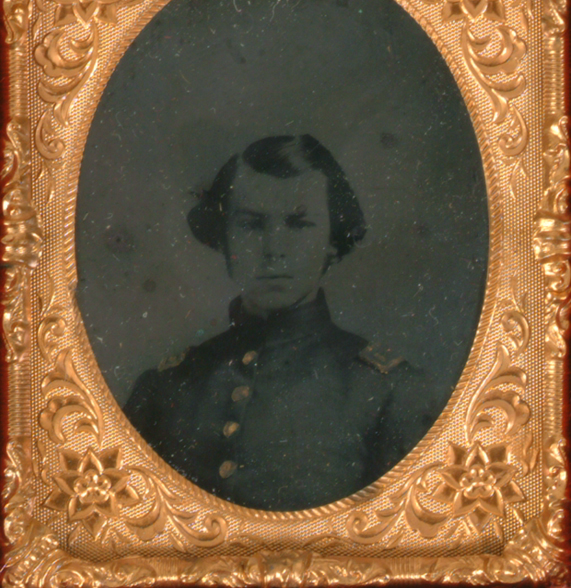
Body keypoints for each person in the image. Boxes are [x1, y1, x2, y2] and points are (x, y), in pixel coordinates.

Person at [124, 135, 436, 511]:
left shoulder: (390, 391)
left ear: (332, 241)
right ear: (223, 239)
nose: (274, 249)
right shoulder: (162, 388)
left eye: (299, 224)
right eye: (252, 225)